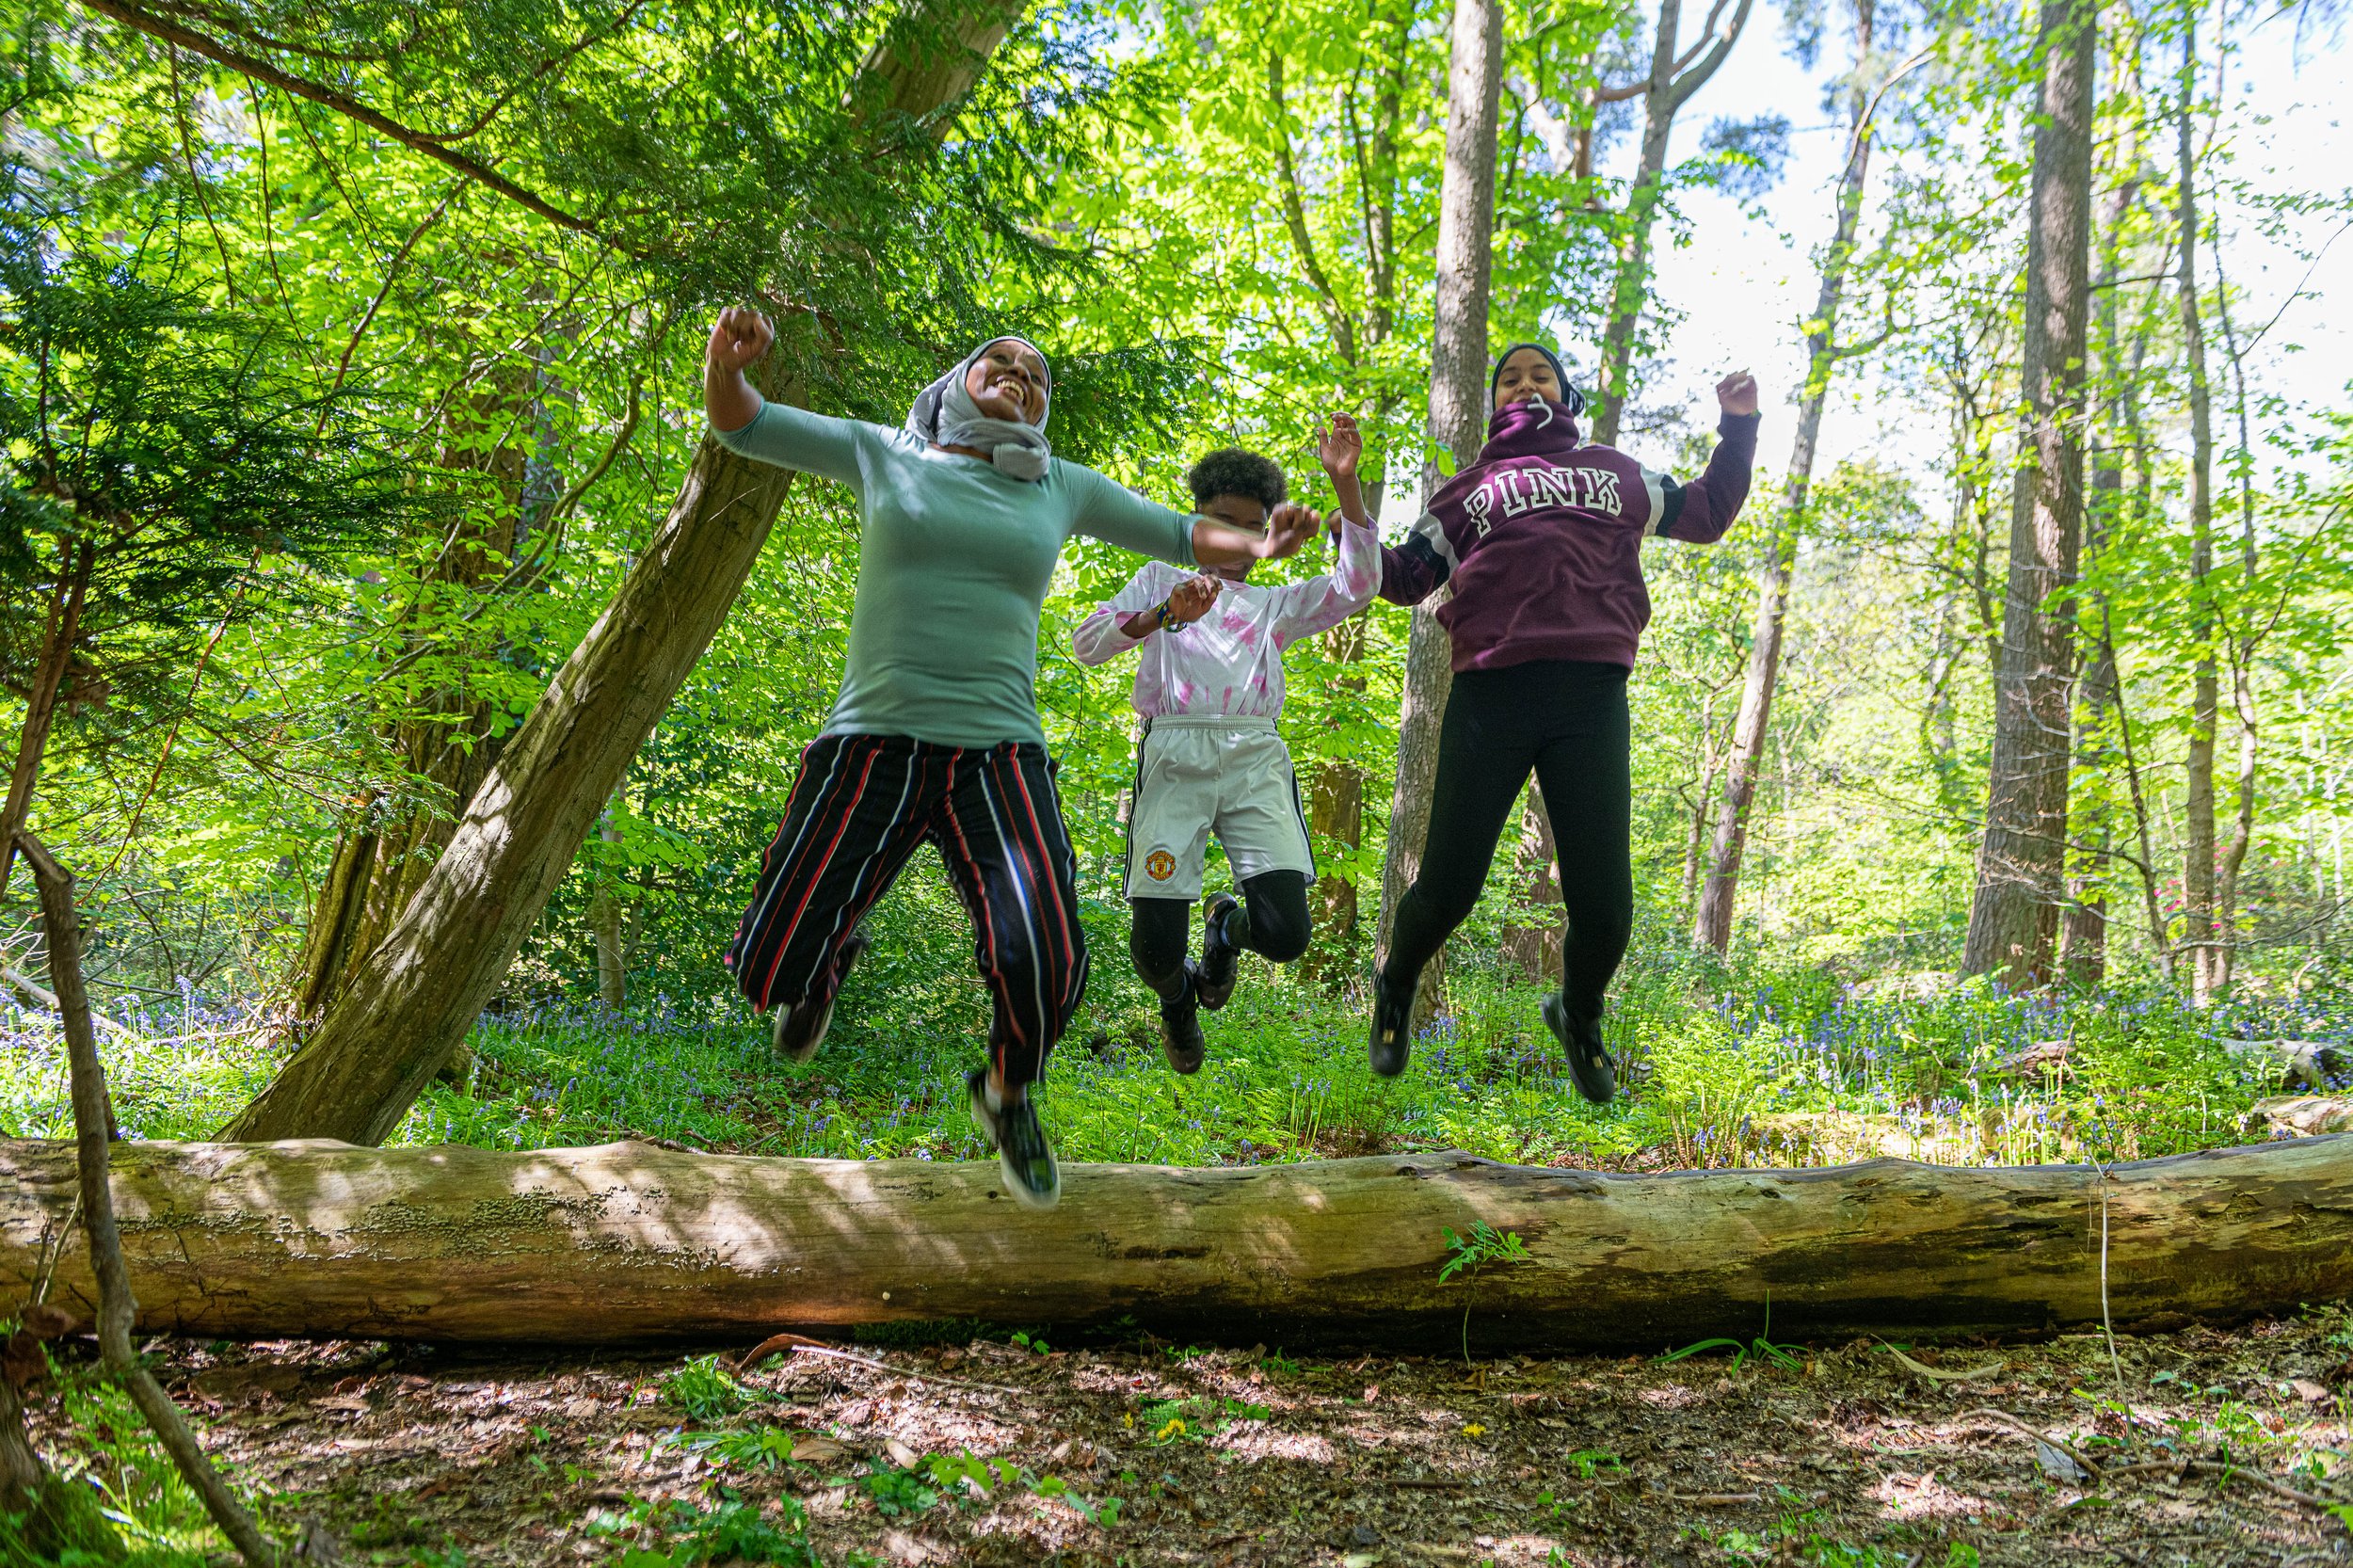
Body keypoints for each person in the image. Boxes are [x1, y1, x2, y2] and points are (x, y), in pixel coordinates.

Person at [704, 309, 1318, 1208]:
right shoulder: (889, 452)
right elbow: (744, 423)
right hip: (871, 738)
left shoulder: (1057, 486)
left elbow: (1182, 535)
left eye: (1035, 377)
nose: (1019, 374)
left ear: (1039, 413)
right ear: (958, 381)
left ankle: (1007, 1092)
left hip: (999, 752)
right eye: (1001, 362)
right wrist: (727, 363)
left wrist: (1262, 545)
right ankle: (827, 962)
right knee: (770, 965)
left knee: (1049, 957)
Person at [1371, 343, 1761, 1100]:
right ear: (1491, 405)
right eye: (1509, 377)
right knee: (1448, 888)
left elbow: (1709, 514)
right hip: (1492, 693)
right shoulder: (1468, 491)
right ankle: (1395, 986)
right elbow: (1401, 579)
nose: (1524, 384)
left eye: (1540, 375)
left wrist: (1737, 426)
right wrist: (1351, 511)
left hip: (1590, 697)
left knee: (1607, 909)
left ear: (1567, 394)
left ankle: (1578, 1014)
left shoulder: (1613, 470)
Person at [1072, 417, 1378, 1072]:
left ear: (1266, 532)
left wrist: (1346, 485)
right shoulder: (1160, 580)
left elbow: (1359, 586)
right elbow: (1086, 645)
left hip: (1253, 759)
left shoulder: (1274, 606)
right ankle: (1179, 1006)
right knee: (1154, 955)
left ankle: (1225, 934)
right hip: (1174, 756)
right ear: (1197, 524)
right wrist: (1164, 615)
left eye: (1248, 526)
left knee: (1287, 935)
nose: (1232, 538)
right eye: (1219, 521)